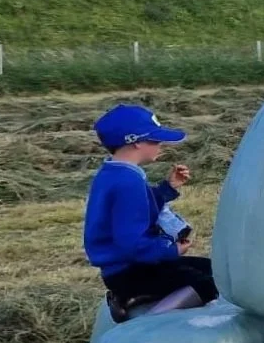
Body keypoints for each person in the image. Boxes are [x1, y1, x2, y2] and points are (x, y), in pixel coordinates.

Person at [84, 103, 217, 315]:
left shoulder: (114, 172)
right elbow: (131, 243)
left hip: (123, 269)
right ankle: (145, 323)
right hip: (130, 271)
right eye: (155, 139)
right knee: (207, 284)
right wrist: (171, 251)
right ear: (135, 141)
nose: (161, 145)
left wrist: (167, 188)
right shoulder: (128, 182)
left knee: (212, 268)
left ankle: (132, 297)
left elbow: (138, 212)